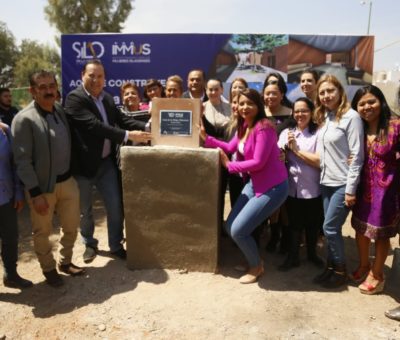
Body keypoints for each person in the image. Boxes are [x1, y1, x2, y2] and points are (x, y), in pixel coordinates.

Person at [64, 60, 151, 263]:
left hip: (105, 164)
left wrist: (149, 128)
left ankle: (115, 245)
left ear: (105, 78)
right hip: (83, 167)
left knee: (115, 207)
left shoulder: (108, 99)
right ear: (82, 75)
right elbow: (95, 127)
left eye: (100, 76)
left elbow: (122, 121)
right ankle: (89, 244)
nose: (96, 80)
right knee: (85, 211)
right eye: (91, 75)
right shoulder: (74, 99)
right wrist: (130, 135)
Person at [201, 88, 289, 284]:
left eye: (250, 103)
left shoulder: (264, 127)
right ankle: (253, 259)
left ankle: (256, 266)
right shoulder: (244, 125)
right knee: (230, 225)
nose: (244, 107)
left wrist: (229, 165)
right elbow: (231, 147)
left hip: (272, 186)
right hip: (254, 183)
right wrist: (206, 139)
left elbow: (258, 162)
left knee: (238, 230)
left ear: (258, 106)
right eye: (241, 103)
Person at [11, 70, 84, 287]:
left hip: (67, 182)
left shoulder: (59, 111)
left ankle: (66, 262)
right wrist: (35, 193)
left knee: (71, 226)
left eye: (51, 86)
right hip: (42, 188)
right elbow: (22, 161)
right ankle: (49, 269)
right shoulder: (24, 119)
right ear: (32, 91)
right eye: (42, 87)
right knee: (42, 232)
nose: (48, 91)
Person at [313, 74, 364, 289]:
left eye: (330, 91)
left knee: (330, 228)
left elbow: (357, 155)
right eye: (322, 92)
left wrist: (351, 190)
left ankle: (341, 271)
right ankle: (331, 267)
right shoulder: (325, 117)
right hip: (326, 181)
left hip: (343, 183)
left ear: (340, 92)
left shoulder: (351, 117)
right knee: (330, 228)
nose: (326, 95)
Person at [349, 85, 400, 294]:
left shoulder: (395, 126)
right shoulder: (357, 127)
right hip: (362, 188)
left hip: (387, 192)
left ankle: (377, 275)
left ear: (381, 101)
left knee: (380, 233)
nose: (367, 107)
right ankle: (364, 265)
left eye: (371, 101)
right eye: (361, 104)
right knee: (360, 229)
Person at [277, 97, 324, 271]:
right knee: (294, 224)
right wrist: (282, 153)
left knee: (312, 223)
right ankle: (293, 256)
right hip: (292, 188)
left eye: (304, 110)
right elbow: (279, 153)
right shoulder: (287, 133)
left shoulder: (318, 133)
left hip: (313, 187)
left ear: (311, 113)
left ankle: (312, 254)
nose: (300, 114)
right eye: (296, 111)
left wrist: (295, 150)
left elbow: (319, 160)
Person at [262, 74, 293, 253]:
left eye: (275, 92)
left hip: (286, 164)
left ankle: (286, 239)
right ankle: (274, 236)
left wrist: (288, 154)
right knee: (271, 205)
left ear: (282, 94)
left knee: (285, 205)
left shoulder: (291, 113)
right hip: (264, 166)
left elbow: (299, 136)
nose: (271, 97)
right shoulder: (259, 113)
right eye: (268, 92)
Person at [0, 122, 32, 289]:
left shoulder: (4, 131)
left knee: (10, 237)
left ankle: (11, 274)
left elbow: (15, 164)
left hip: (5, 196)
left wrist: (18, 193)